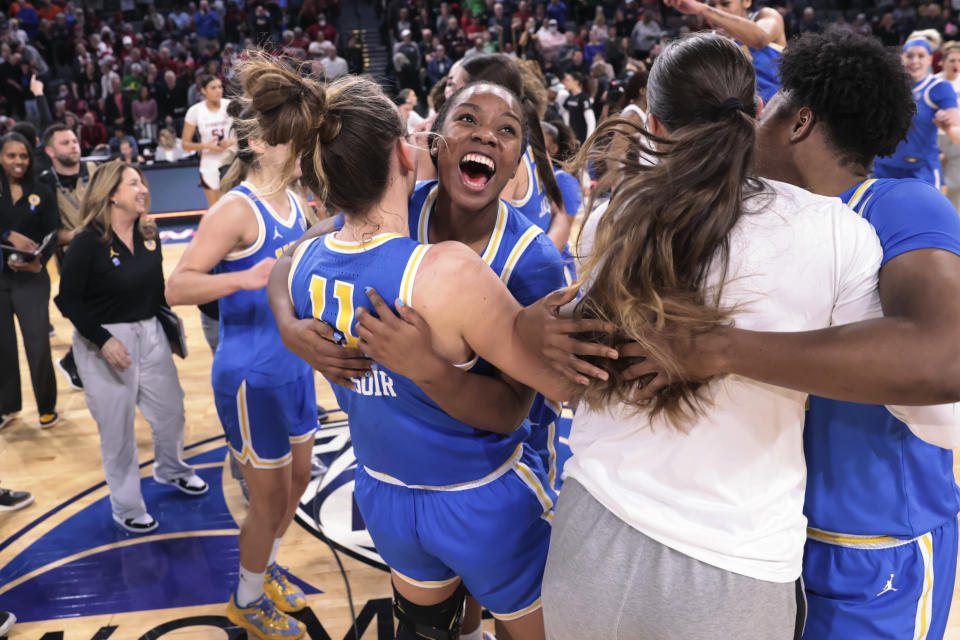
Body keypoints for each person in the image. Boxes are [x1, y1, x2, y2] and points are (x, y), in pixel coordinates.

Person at [607, 30, 960, 640]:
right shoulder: (747, 214)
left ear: (797, 123)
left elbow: (946, 356)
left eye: (763, 111)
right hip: (770, 537)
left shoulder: (900, 205)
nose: (748, 126)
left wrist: (718, 350)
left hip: (875, 540)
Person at [535, 33, 886, 639]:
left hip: (589, 531)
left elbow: (578, 372)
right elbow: (890, 376)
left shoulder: (613, 217)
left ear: (654, 121)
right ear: (754, 113)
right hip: (735, 559)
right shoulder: (837, 231)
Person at [284, 75, 571, 640]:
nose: (486, 135)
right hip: (408, 479)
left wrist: (427, 367)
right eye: (467, 119)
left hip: (498, 463)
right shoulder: (399, 205)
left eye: (506, 131)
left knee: (503, 600)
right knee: (448, 610)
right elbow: (297, 254)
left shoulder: (533, 260)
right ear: (431, 143)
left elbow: (521, 403)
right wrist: (290, 327)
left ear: (519, 168)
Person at [165, 57, 317, 639]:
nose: (303, 148)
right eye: (294, 140)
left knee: (298, 484)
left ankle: (266, 568)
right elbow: (176, 286)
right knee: (268, 498)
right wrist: (245, 279)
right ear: (257, 142)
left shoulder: (297, 201)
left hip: (296, 367)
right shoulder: (235, 208)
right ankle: (246, 599)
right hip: (251, 373)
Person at [54, 161, 208, 534]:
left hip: (151, 335)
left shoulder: (148, 233)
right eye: (134, 184)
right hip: (103, 343)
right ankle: (125, 506)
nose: (143, 189)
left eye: (142, 183)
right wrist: (103, 340)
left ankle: (171, 469)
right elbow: (68, 301)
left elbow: (155, 290)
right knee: (117, 432)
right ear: (111, 194)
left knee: (171, 412)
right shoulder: (87, 243)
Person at [0, 132, 59, 431]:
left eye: (23, 156)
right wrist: (6, 236)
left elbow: (53, 231)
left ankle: (47, 406)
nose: (18, 161)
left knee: (37, 344)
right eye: (11, 155)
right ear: (1, 157)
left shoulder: (42, 190)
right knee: (3, 346)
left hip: (31, 280)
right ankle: (6, 406)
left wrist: (39, 261)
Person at [38, 123, 97, 392]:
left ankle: (74, 360)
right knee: (92, 310)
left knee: (105, 309)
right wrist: (82, 235)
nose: (74, 145)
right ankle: (74, 361)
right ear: (50, 150)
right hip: (72, 257)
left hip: (104, 248)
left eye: (74, 140)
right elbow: (50, 231)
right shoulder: (44, 183)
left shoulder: (96, 171)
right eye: (65, 142)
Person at [873, 32, 960, 188]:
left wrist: (948, 124)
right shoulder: (887, 86)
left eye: (921, 56)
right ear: (902, 58)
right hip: (884, 168)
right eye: (910, 56)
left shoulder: (939, 87)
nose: (915, 61)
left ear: (930, 59)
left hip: (920, 171)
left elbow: (956, 128)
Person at [665, 0, 786, 102]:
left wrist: (704, 9)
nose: (718, 11)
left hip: (785, 116)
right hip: (744, 123)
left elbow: (761, 39)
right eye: (712, 5)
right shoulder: (706, 44)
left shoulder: (766, 16)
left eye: (725, 4)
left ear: (746, 1)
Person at [181, 75, 235, 207]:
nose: (218, 90)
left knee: (235, 205)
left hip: (233, 159)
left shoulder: (231, 106)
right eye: (213, 88)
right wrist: (207, 146)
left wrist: (231, 142)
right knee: (216, 209)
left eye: (220, 87)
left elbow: (246, 135)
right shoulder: (195, 111)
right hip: (210, 162)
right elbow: (185, 145)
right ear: (203, 91)